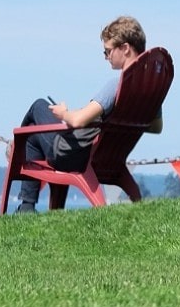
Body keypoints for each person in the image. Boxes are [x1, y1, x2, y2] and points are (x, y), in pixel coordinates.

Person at [11, 15, 164, 213]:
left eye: (108, 51)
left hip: (72, 154)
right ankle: (27, 206)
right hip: (110, 157)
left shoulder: (116, 87)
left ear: (125, 48)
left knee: (37, 108)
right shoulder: (148, 92)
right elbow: (156, 127)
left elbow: (78, 120)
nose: (106, 56)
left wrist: (63, 113)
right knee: (33, 132)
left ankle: (16, 152)